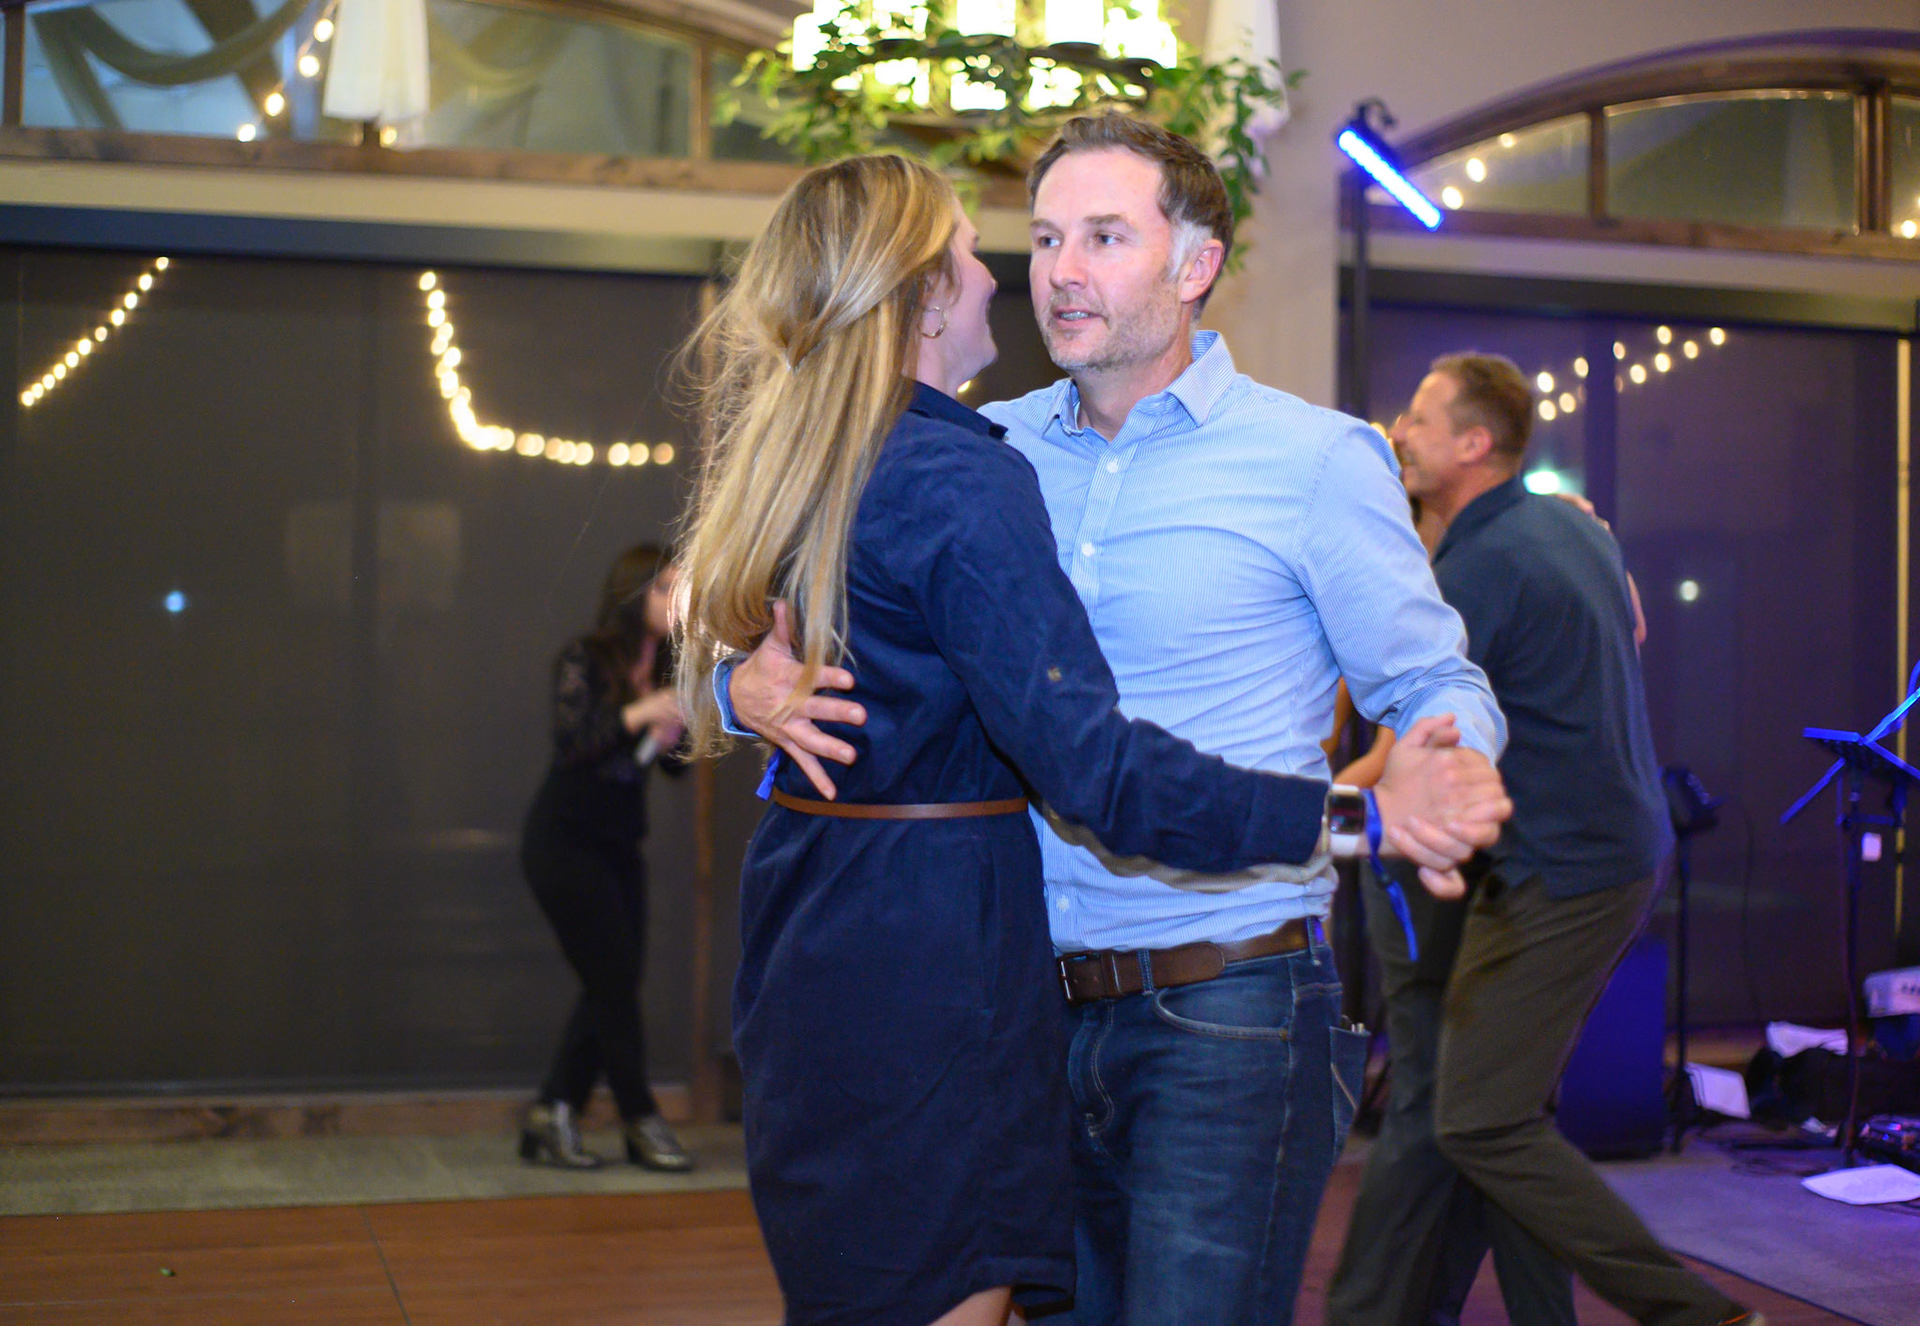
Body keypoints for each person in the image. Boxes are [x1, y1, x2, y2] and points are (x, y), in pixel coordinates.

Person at [674, 153, 1511, 1326]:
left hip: (1221, 1001)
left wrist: (1443, 779)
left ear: (1197, 264)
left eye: (1105, 237)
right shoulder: (984, 446)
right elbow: (757, 602)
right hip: (1007, 1007)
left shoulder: (1315, 459)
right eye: (1045, 237)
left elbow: (1431, 677)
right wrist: (736, 690)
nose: (1060, 271)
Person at [1327, 353, 1756, 1326]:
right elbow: (1630, 624)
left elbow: (1405, 754)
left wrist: (1271, 815)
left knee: (1478, 1121)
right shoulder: (1570, 523)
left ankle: (1702, 1313)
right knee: (1502, 1113)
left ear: (1475, 444)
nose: (1401, 431)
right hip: (1607, 852)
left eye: (1422, 418)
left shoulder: (1474, 569)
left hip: (1562, 871)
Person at [517, 543, 695, 1173]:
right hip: (564, 843)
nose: (675, 602)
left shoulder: (669, 666)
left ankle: (553, 1112)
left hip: (620, 844)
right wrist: (639, 712)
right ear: (634, 594)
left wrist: (673, 731)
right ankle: (639, 1117)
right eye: (664, 589)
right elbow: (574, 742)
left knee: (613, 984)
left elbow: (671, 769)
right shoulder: (585, 658)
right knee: (612, 983)